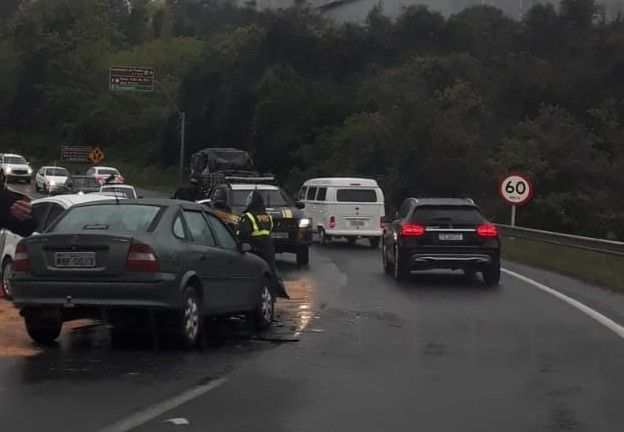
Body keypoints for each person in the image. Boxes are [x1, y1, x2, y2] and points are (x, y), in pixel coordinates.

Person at [237, 191, 289, 299]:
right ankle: (271, 295)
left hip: (254, 249)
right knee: (270, 272)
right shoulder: (267, 216)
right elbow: (269, 230)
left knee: (254, 275)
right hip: (268, 248)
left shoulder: (248, 216)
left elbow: (242, 233)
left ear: (252, 201)